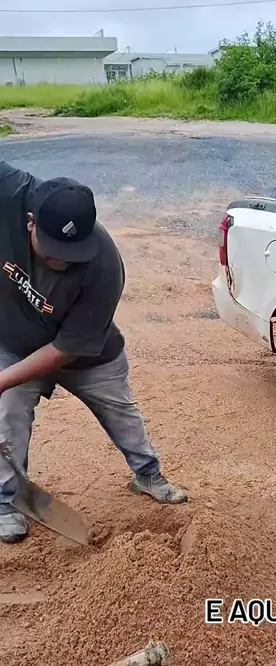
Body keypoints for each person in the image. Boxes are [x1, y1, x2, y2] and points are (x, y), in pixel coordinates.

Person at [0, 158, 187, 544]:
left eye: (72, 254)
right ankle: (6, 500)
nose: (62, 261)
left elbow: (63, 351)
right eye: (54, 252)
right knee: (8, 416)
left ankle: (148, 474)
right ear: (30, 222)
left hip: (86, 355)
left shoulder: (104, 266)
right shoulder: (11, 193)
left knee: (121, 412)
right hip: (17, 341)